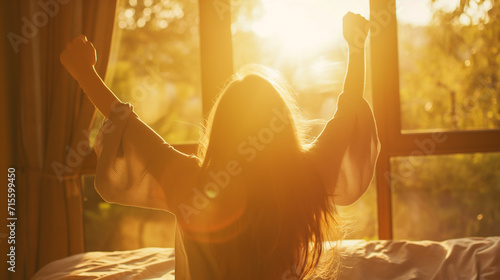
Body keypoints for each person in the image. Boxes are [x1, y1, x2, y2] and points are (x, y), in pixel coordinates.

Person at [60, 12, 379, 280]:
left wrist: (84, 72)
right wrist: (355, 48)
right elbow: (347, 112)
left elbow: (126, 124)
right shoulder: (307, 175)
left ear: (221, 128)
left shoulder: (193, 183)